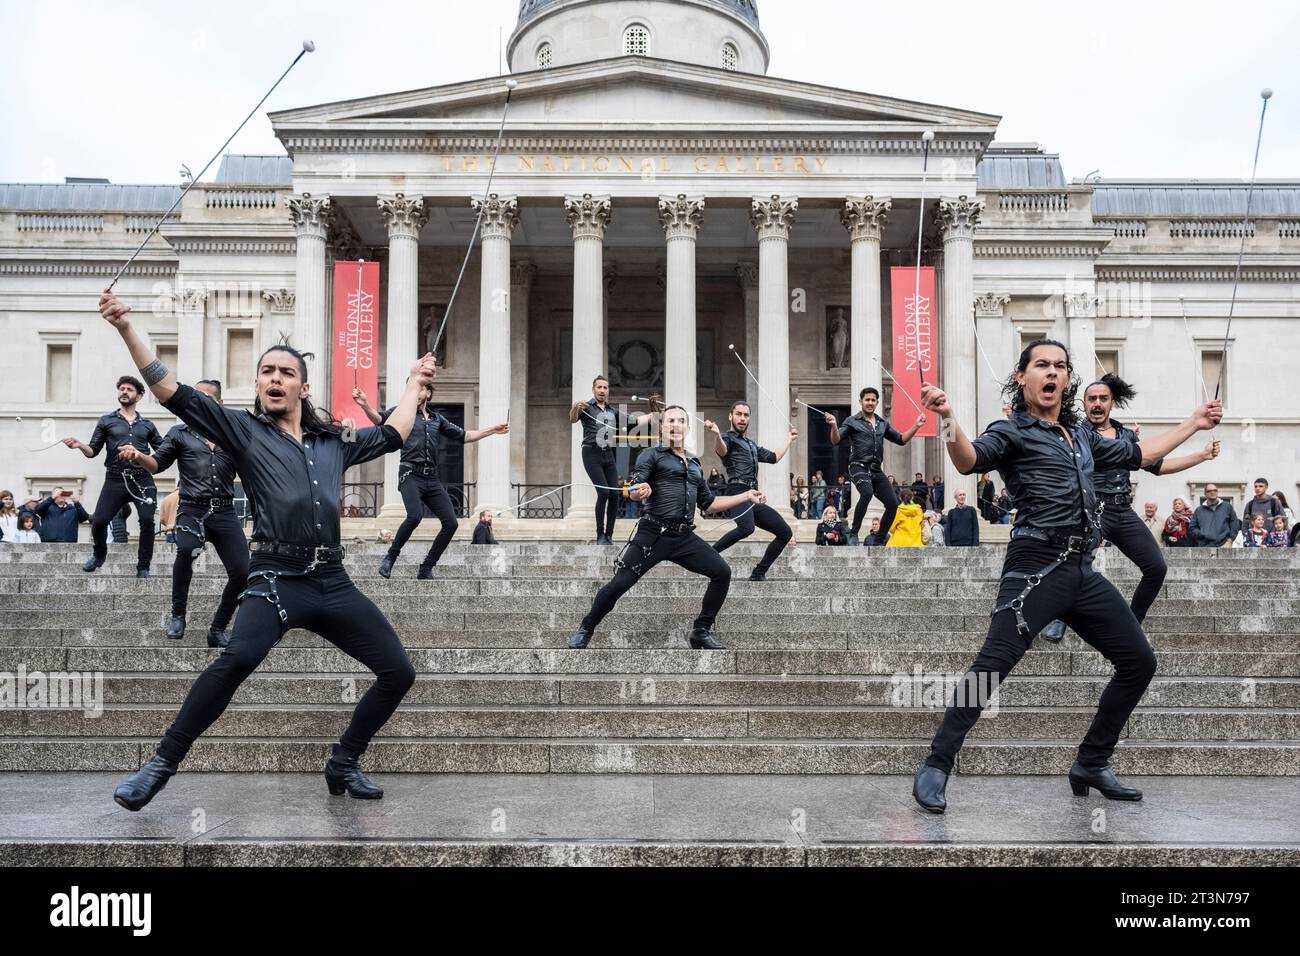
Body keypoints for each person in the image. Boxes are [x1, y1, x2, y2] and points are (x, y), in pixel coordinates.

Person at [98, 289, 434, 812]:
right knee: (237, 659)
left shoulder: (332, 443)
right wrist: (126, 328)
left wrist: (413, 383)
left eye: (286, 372)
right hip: (275, 579)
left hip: (333, 582)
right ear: (257, 384)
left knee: (399, 671)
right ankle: (160, 764)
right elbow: (172, 391)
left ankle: (345, 759)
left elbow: (394, 432)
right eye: (267, 372)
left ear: (303, 386)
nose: (275, 378)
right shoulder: (243, 431)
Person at [910, 337, 1221, 814]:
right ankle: (936, 763)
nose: (1051, 372)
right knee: (989, 669)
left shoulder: (1084, 437)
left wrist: (1194, 424)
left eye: (1060, 366)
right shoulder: (1012, 430)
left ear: (1068, 379)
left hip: (1082, 571)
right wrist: (947, 416)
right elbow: (968, 461)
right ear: (1023, 377)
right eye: (1041, 365)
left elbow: (1141, 454)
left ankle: (1091, 762)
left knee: (1139, 661)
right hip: (1034, 569)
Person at [567, 405, 764, 651]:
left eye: (680, 420)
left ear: (687, 427)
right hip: (653, 533)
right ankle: (586, 628)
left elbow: (710, 503)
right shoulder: (651, 454)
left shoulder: (694, 463)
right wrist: (639, 492)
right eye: (670, 420)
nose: (675, 425)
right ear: (662, 427)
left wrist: (746, 495)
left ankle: (701, 631)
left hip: (684, 537)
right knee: (619, 583)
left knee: (722, 571)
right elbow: (633, 488)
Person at [1041, 373, 1218, 643]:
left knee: (1156, 568)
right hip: (1091, 512)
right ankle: (1058, 618)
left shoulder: (1126, 435)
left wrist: (1202, 456)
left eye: (1103, 398)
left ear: (1112, 403)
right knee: (1073, 563)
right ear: (1084, 403)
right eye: (1091, 399)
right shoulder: (1077, 433)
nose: (1097, 404)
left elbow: (1158, 466)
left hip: (1122, 511)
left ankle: (1133, 623)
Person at [118, 379, 248, 647]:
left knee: (243, 572)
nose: (200, 402)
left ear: (219, 404)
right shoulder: (180, 432)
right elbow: (156, 465)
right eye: (196, 397)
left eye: (207, 398)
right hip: (192, 509)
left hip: (224, 512)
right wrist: (139, 456)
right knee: (186, 552)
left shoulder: (232, 435)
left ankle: (218, 628)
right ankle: (178, 615)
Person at [354, 384, 507, 579]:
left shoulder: (437, 419)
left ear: (428, 393)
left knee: (451, 523)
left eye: (420, 389)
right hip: (410, 473)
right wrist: (365, 405)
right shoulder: (402, 412)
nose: (415, 392)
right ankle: (390, 557)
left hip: (431, 478)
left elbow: (465, 436)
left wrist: (492, 430)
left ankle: (426, 567)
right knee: (415, 516)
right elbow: (379, 419)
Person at [62, 375, 163, 577]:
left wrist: (141, 456)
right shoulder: (106, 421)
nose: (124, 392)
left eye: (129, 389)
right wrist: (79, 445)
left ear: (139, 396)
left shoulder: (148, 425)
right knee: (99, 521)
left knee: (147, 521)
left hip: (141, 479)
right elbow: (93, 451)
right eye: (121, 389)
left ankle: (143, 566)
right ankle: (99, 555)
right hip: (115, 479)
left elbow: (162, 452)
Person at [706, 402, 797, 581]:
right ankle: (707, 555)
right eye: (738, 414)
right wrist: (716, 435)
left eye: (746, 415)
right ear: (730, 416)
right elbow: (722, 450)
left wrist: (789, 439)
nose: (742, 418)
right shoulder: (727, 438)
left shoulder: (751, 444)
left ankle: (758, 572)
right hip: (736, 492)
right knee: (747, 528)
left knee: (785, 532)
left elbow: (774, 457)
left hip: (752, 494)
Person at [827, 387, 924, 545]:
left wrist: (917, 425)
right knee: (866, 493)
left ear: (877, 402)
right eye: (867, 400)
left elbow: (901, 439)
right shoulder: (852, 421)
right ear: (861, 402)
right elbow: (835, 440)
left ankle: (879, 540)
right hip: (857, 466)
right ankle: (854, 532)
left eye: (873, 400)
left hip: (876, 469)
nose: (870, 403)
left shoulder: (882, 424)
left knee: (893, 504)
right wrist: (833, 426)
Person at [569, 377, 655, 545]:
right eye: (599, 387)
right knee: (603, 492)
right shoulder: (586, 407)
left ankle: (609, 535)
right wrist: (574, 407)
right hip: (591, 452)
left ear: (608, 390)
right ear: (593, 389)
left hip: (608, 453)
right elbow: (572, 419)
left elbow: (637, 420)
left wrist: (656, 413)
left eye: (605, 387)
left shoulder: (613, 411)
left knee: (615, 494)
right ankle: (600, 535)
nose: (602, 390)